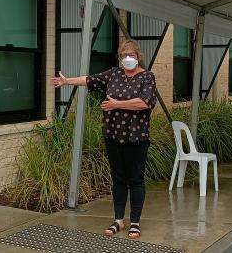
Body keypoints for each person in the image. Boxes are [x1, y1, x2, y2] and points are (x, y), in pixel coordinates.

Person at [51, 39, 157, 240]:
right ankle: (118, 219)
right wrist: (67, 81)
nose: (128, 58)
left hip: (136, 138)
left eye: (131, 55)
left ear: (138, 57)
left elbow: (144, 103)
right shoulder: (114, 74)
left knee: (135, 179)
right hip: (113, 136)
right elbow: (90, 80)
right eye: (124, 55)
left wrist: (117, 104)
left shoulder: (147, 77)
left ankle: (135, 221)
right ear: (119, 58)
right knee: (118, 178)